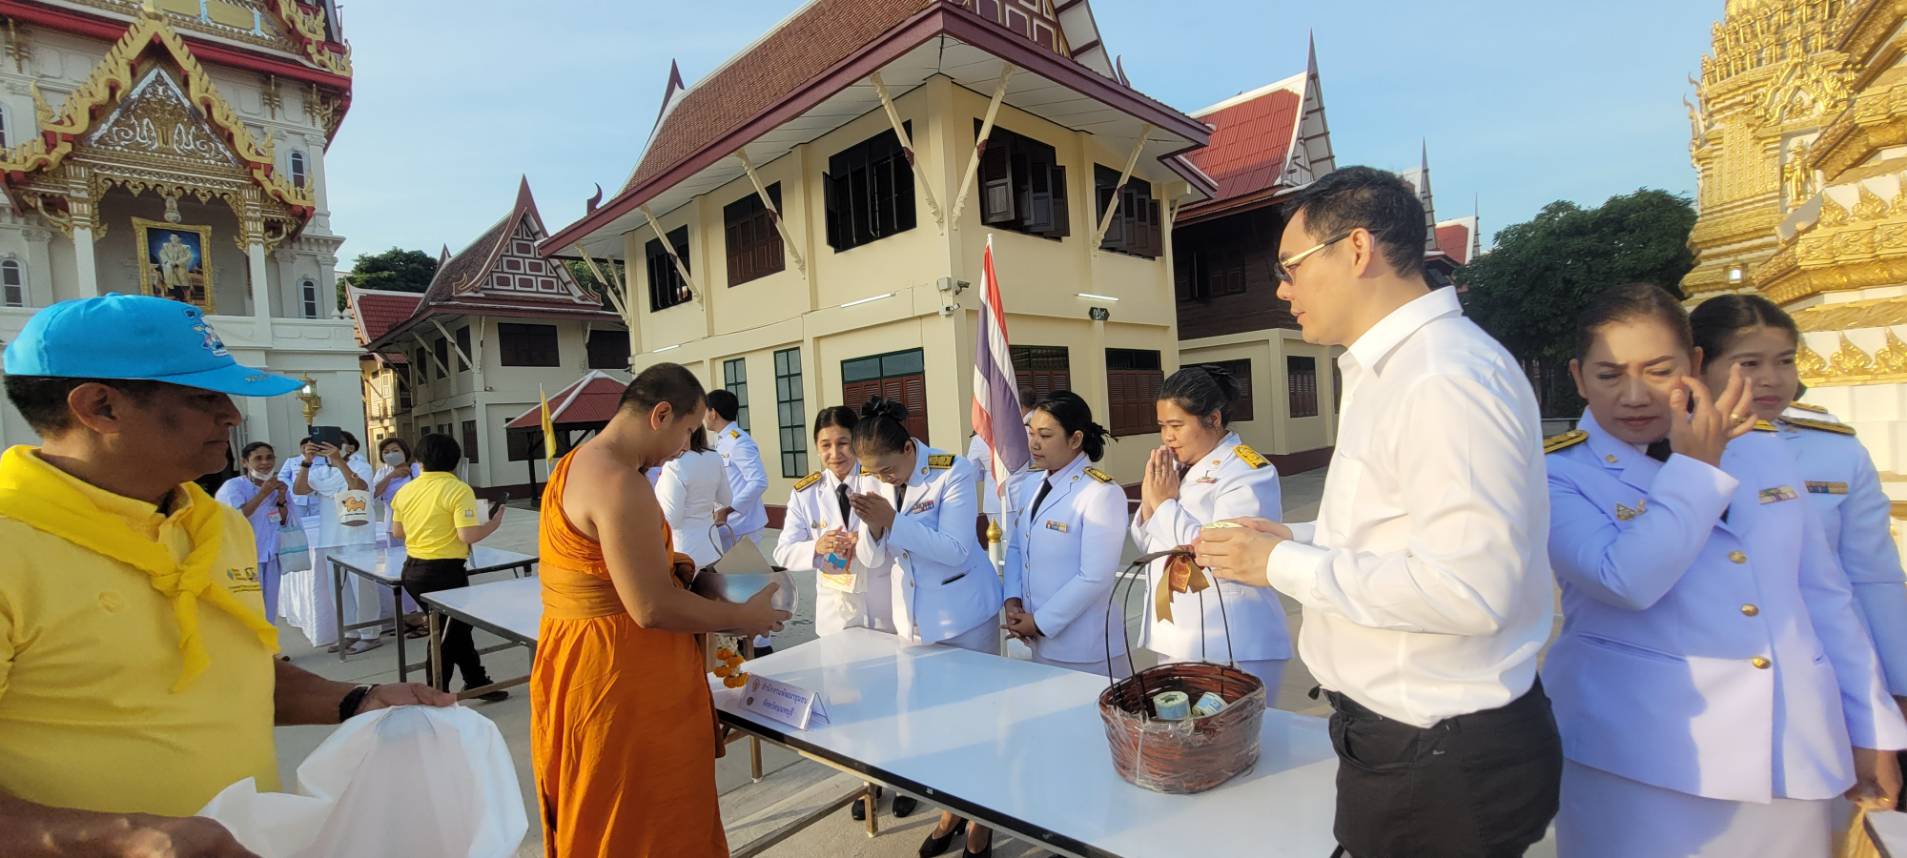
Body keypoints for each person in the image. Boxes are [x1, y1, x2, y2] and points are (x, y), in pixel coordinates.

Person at [1193, 166, 1561, 857]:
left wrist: (1282, 564)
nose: (1282, 290)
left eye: (1290, 268)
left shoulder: (1441, 377)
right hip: (1408, 740)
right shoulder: (1394, 369)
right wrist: (1296, 535)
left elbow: (1470, 588)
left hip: (1439, 748)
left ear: (1357, 249)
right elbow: (1399, 528)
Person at [0, 294, 451, 855]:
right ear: (101, 406)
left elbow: (234, 670)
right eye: (204, 397)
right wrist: (117, 839)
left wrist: (355, 700)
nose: (233, 415)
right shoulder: (13, 542)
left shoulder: (215, 525)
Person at [1540, 283, 1906, 856]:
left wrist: (1872, 726)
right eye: (1609, 375)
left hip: (1789, 743)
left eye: (1659, 371)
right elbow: (1627, 580)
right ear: (1579, 378)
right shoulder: (1559, 471)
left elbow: (1822, 596)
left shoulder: (1759, 446)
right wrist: (1695, 468)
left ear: (1695, 364)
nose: (1634, 396)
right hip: (1644, 751)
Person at [531, 362, 788, 858]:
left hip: (578, 662)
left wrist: (690, 576)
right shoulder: (620, 483)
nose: (685, 446)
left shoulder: (575, 464)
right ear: (661, 414)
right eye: (687, 431)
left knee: (602, 807)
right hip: (619, 677)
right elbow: (649, 606)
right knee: (643, 819)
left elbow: (625, 574)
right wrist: (743, 618)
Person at [1691, 294, 1907, 710]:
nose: (1771, 379)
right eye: (1749, 364)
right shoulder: (1660, 450)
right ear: (1699, 365)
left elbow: (1872, 574)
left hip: (1822, 666)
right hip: (1707, 673)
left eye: (1785, 361)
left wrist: (1897, 682)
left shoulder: (1835, 451)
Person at [848, 396, 1004, 858]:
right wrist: (875, 530)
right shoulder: (870, 477)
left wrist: (892, 522)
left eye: (889, 469)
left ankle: (981, 822)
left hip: (965, 617)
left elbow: (956, 549)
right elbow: (871, 558)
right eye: (873, 472)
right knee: (936, 728)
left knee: (977, 723)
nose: (883, 479)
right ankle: (950, 811)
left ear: (909, 449)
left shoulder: (951, 470)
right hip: (914, 622)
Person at [773, 405, 915, 822]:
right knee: (849, 704)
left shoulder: (878, 480)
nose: (835, 453)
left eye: (843, 443)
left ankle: (903, 779)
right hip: (837, 613)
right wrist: (815, 547)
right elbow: (783, 551)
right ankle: (865, 782)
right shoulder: (805, 492)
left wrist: (866, 538)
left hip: (882, 605)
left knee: (895, 699)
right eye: (826, 445)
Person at [1130, 365, 1289, 693]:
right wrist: (1150, 504)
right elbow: (1149, 545)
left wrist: (1164, 505)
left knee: (1233, 725)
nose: (1167, 437)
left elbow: (1222, 550)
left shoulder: (1246, 470)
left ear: (1213, 419)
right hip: (1177, 634)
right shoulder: (1176, 468)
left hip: (1231, 640)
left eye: (1177, 425)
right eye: (1162, 426)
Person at [1004, 391, 1128, 679]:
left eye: (1046, 435)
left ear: (1075, 439)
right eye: (1031, 433)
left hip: (1085, 647)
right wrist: (1012, 600)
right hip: (1038, 639)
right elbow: (1017, 547)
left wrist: (1040, 622)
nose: (1034, 443)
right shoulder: (1031, 484)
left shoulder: (1100, 493)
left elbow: (1094, 577)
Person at [389, 433, 510, 703]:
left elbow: (398, 532)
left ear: (419, 460)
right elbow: (468, 535)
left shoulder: (405, 490)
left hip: (412, 570)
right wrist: (493, 524)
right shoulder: (458, 489)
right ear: (455, 461)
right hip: (444, 572)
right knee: (445, 635)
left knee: (456, 628)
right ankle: (435, 694)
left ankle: (477, 681)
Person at [288, 429, 385, 654]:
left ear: (349, 447)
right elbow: (299, 489)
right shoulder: (320, 472)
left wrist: (339, 461)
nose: (329, 448)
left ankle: (370, 634)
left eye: (336, 444)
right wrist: (307, 461)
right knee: (338, 589)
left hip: (358, 535)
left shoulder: (361, 466)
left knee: (362, 586)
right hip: (330, 537)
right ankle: (350, 632)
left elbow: (359, 487)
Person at [706, 388, 773, 653]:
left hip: (742, 525)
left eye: (705, 412)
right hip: (729, 526)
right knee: (734, 587)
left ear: (713, 412)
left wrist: (731, 509)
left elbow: (759, 481)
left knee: (748, 586)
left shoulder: (738, 441)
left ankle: (761, 644)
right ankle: (744, 641)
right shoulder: (721, 441)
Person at [215, 441, 290, 625]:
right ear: (245, 462)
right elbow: (237, 517)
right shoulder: (234, 487)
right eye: (258, 458)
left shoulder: (277, 486)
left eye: (269, 458)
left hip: (270, 554)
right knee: (248, 607)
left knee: (269, 607)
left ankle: (268, 642)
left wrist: (281, 497)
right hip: (244, 556)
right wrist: (263, 493)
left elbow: (283, 520)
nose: (265, 463)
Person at [657, 426, 732, 570]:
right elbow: (726, 499)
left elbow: (672, 519)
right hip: (713, 545)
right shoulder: (714, 457)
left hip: (685, 550)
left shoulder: (674, 464)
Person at [966, 383, 1036, 528]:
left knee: (1000, 541)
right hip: (1023, 496)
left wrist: (989, 472)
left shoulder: (979, 439)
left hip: (996, 501)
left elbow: (972, 473)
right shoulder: (1028, 433)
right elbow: (1036, 464)